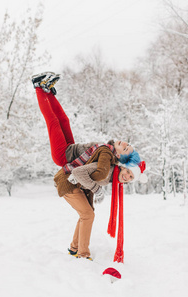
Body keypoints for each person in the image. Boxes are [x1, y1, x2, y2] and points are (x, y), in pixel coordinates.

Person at [32, 71, 147, 260]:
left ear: (121, 159)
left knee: (87, 214)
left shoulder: (110, 162)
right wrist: (97, 189)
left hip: (67, 156)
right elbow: (90, 173)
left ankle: (46, 91)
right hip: (64, 156)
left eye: (126, 147)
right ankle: (41, 89)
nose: (124, 143)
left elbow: (95, 174)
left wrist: (94, 191)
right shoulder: (107, 156)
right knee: (58, 121)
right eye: (125, 143)